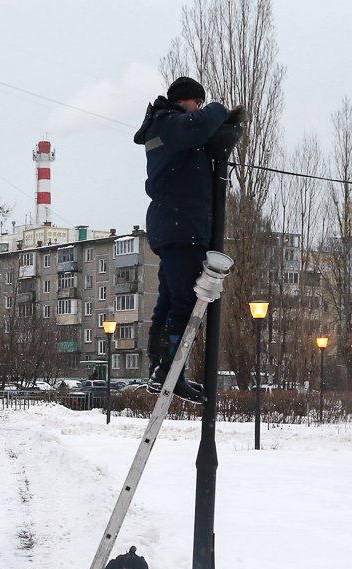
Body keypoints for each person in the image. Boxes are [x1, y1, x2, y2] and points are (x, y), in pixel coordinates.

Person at [132, 75, 232, 404]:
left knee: (169, 301)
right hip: (182, 225)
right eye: (197, 103)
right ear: (183, 100)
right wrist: (219, 109)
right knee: (186, 302)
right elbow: (200, 125)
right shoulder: (169, 124)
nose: (199, 108)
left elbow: (199, 133)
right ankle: (172, 370)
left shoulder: (166, 130)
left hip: (174, 224)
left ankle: (162, 369)